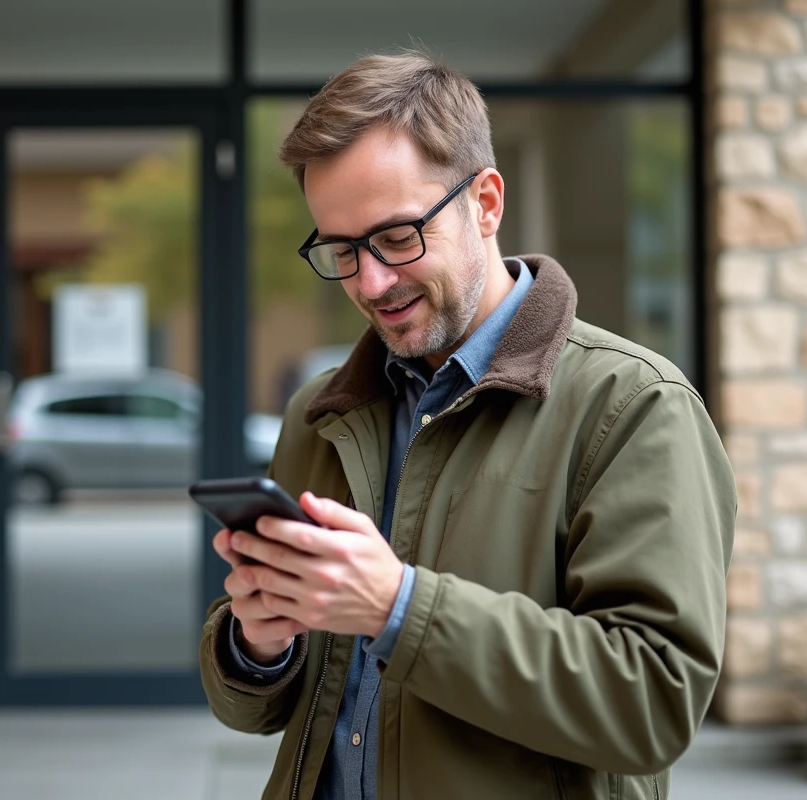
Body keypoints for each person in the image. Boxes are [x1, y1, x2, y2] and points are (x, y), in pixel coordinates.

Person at [197, 50, 736, 800]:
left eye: (395, 237)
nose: (370, 282)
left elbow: (652, 703)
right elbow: (257, 710)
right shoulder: (320, 412)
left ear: (485, 202)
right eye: (342, 251)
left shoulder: (636, 406)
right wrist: (259, 642)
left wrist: (399, 609)